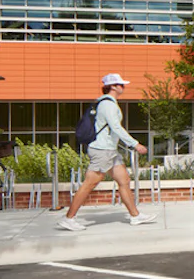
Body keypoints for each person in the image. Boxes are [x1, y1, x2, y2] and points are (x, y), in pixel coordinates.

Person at [61, 73, 154, 231]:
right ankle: (69, 218)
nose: (123, 87)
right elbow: (116, 127)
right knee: (90, 183)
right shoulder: (108, 105)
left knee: (124, 180)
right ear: (113, 86)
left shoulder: (106, 103)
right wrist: (135, 144)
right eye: (121, 85)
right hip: (102, 150)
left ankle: (135, 216)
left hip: (110, 150)